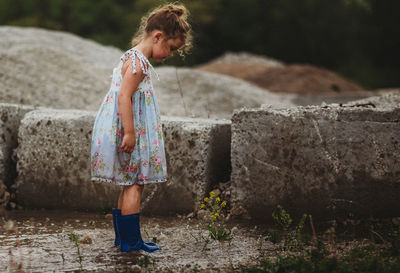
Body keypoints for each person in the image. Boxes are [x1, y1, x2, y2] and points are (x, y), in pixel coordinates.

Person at [90, 3, 192, 253]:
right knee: (135, 183)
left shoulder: (131, 56)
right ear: (158, 36)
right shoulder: (138, 64)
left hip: (123, 126)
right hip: (128, 129)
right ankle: (131, 242)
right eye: (170, 47)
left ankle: (123, 238)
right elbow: (124, 97)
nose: (169, 54)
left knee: (128, 183)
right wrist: (130, 132)